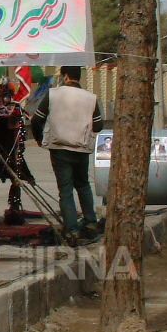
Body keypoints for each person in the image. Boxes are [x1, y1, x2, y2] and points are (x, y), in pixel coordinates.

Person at [29, 65, 104, 243]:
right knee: (83, 185)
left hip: (59, 148)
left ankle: (71, 230)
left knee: (66, 190)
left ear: (65, 76)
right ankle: (90, 222)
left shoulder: (53, 94)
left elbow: (36, 120)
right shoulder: (90, 98)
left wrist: (39, 139)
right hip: (81, 149)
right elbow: (98, 126)